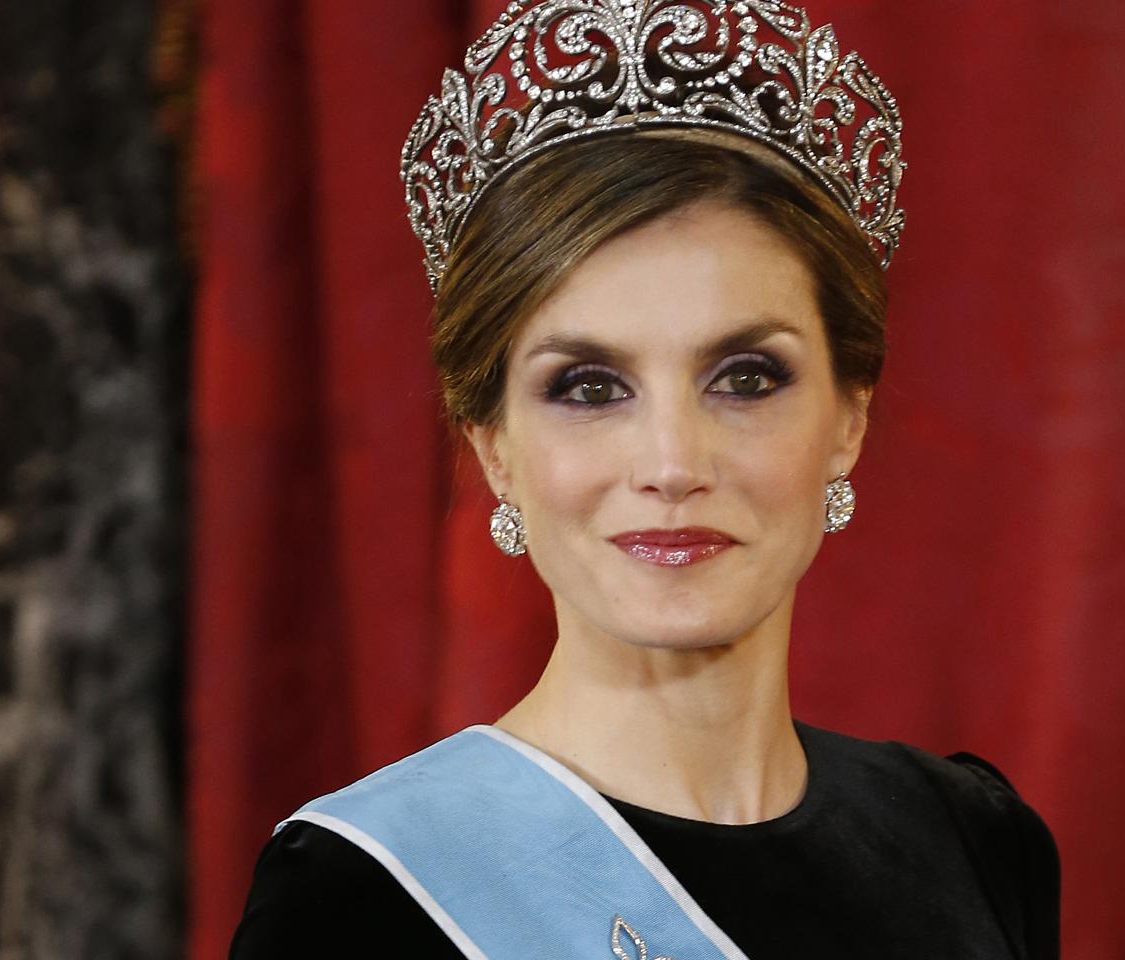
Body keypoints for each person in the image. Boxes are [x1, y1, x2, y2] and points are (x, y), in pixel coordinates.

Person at [228, 1, 1059, 957]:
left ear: (849, 421)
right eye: (588, 387)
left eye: (746, 378)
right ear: (493, 445)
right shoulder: (359, 898)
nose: (672, 463)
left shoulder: (974, 840)